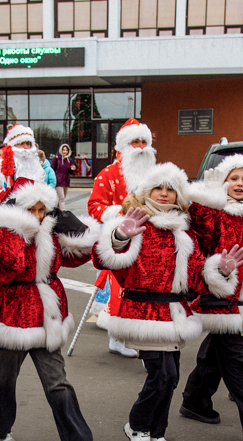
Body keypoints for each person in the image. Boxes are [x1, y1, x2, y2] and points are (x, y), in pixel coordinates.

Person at [0, 177, 97, 441]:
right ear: (18, 208)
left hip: (47, 315)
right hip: (12, 316)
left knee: (58, 383)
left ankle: (78, 438)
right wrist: (22, 230)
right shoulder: (3, 234)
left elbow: (82, 256)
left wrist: (75, 227)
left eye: (43, 210)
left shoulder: (50, 233)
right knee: (2, 382)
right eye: (32, 210)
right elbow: (11, 264)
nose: (38, 216)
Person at [93, 163, 210, 441]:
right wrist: (120, 237)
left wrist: (220, 270)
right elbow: (102, 259)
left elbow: (195, 272)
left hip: (174, 315)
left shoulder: (185, 229)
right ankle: (137, 425)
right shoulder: (133, 219)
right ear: (147, 190)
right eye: (159, 187)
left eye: (171, 189)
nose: (164, 193)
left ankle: (156, 432)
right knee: (161, 377)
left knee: (170, 378)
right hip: (143, 313)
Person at [178, 155, 243, 440]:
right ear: (224, 182)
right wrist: (211, 194)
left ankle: (195, 400)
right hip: (219, 294)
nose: (239, 184)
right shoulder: (216, 212)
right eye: (233, 178)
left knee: (218, 351)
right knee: (236, 359)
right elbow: (201, 226)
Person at [87, 118, 157, 358]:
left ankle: (141, 332)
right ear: (123, 147)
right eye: (134, 142)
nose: (140, 147)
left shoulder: (156, 173)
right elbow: (94, 205)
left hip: (151, 241)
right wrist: (122, 215)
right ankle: (117, 337)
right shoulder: (108, 174)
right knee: (120, 289)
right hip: (121, 239)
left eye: (144, 142)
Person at [0, 125, 48, 205]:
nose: (25, 147)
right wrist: (2, 196)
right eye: (21, 143)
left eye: (28, 143)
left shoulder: (38, 169)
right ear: (13, 145)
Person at [50, 144, 75, 210]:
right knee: (61, 198)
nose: (65, 151)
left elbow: (71, 172)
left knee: (62, 198)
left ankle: (58, 212)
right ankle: (63, 213)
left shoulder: (69, 159)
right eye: (63, 150)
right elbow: (52, 169)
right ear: (61, 150)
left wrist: (72, 169)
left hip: (66, 180)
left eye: (66, 150)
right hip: (59, 180)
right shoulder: (56, 158)